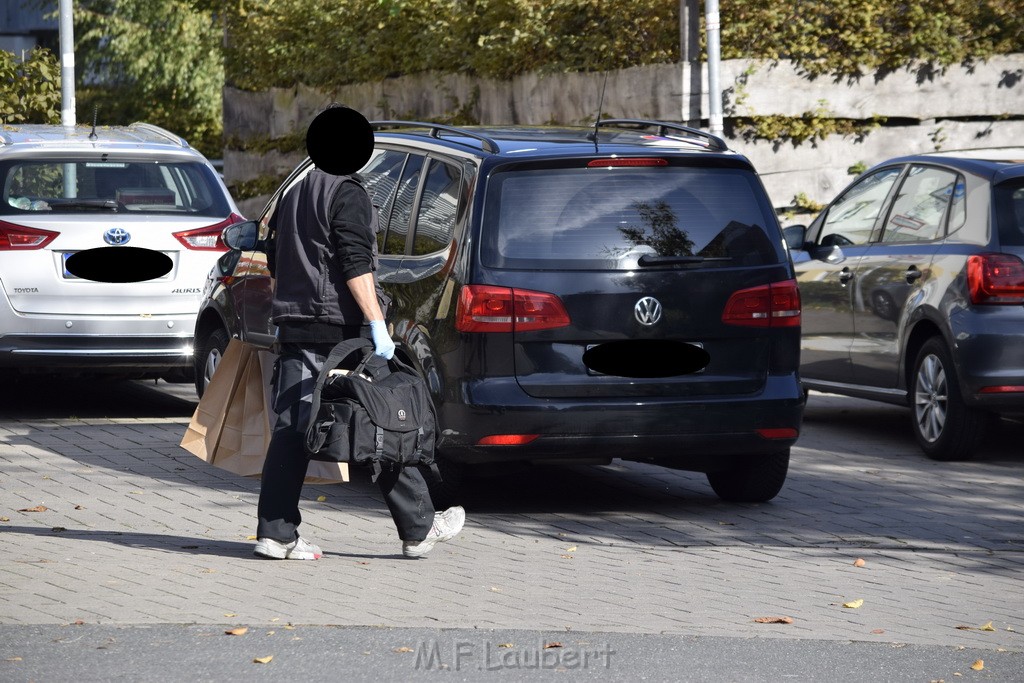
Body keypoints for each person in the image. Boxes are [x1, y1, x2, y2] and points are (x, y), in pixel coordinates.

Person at [254, 105, 465, 560]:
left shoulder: (294, 193)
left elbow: (276, 258)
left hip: (295, 325)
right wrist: (376, 324)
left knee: (293, 428)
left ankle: (276, 533)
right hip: (341, 331)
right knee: (380, 418)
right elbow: (355, 265)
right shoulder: (349, 194)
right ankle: (419, 528)